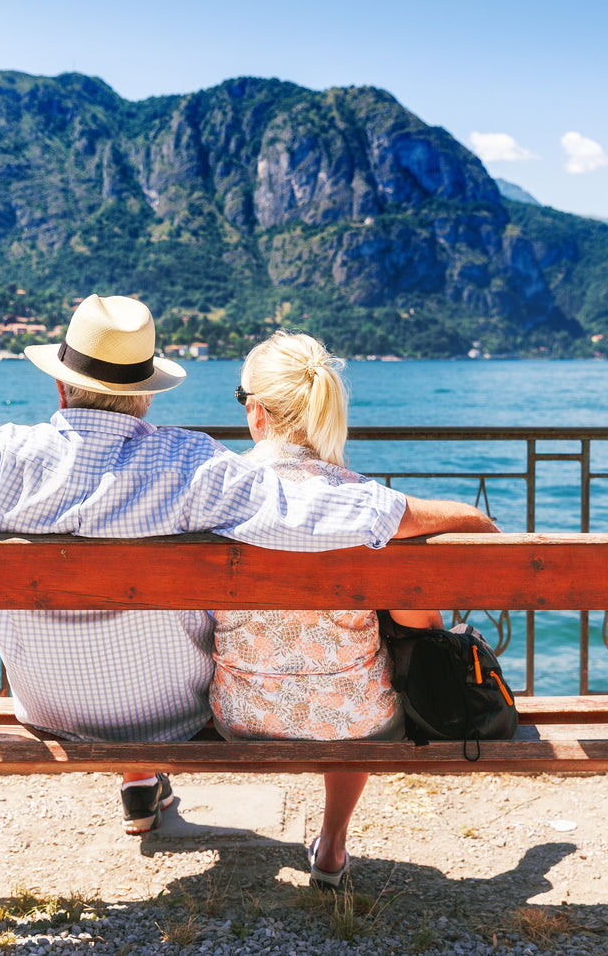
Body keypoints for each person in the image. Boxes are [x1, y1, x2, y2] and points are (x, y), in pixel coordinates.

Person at [0, 294, 496, 835]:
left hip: (40, 706)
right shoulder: (188, 464)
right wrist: (453, 515)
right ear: (147, 395)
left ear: (60, 384)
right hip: (170, 718)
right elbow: (315, 515)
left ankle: (138, 784)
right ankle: (148, 770)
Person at [209, 331, 470, 888]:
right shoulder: (368, 504)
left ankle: (143, 788)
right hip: (358, 724)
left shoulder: (209, 495)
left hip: (239, 717)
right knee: (356, 683)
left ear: (257, 412)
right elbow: (428, 611)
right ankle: (331, 846)